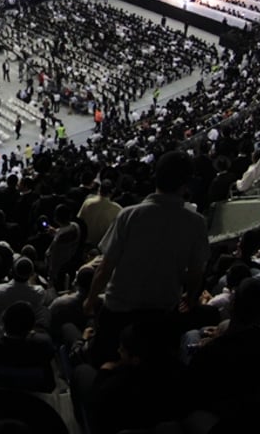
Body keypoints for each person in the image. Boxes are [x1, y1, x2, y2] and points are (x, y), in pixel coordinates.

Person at [83, 150, 209, 367]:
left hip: (118, 311)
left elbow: (105, 267)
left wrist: (91, 299)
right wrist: (189, 299)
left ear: (156, 176)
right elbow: (196, 273)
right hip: (161, 315)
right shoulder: (196, 223)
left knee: (105, 364)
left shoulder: (129, 215)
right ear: (186, 184)